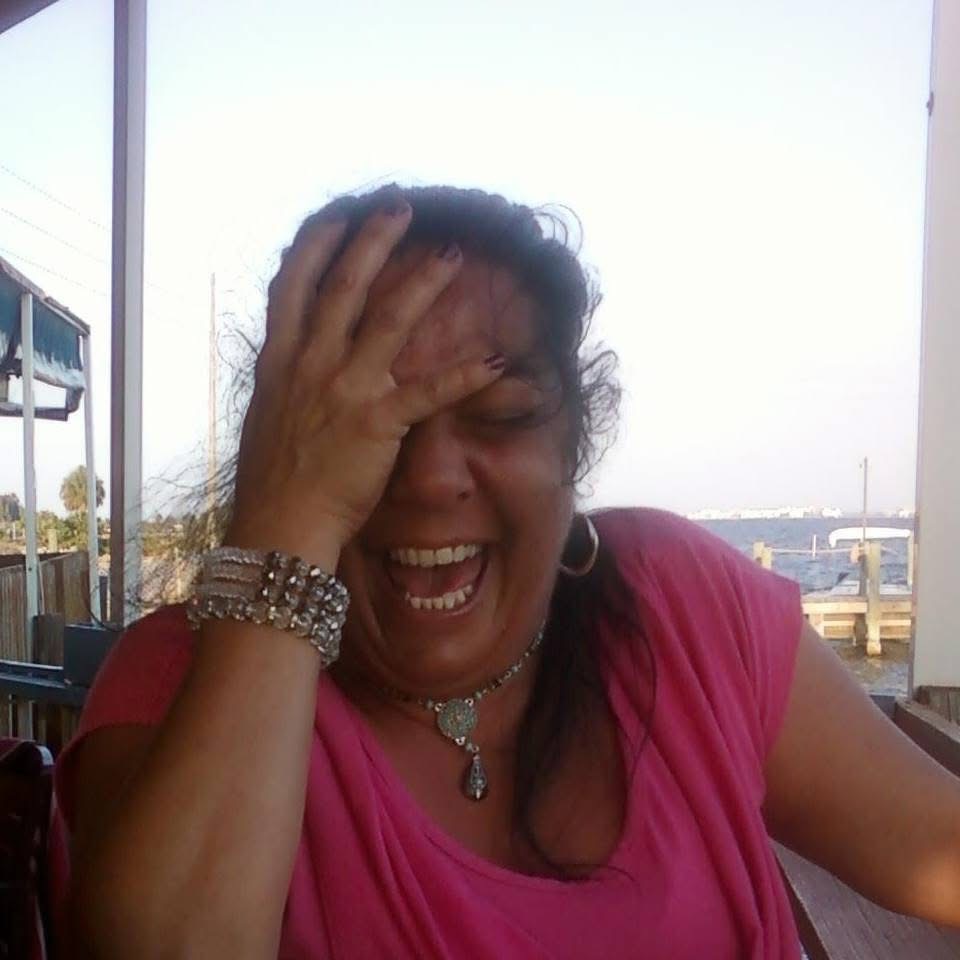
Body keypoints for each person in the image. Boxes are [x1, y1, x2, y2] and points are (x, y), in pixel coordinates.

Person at [49, 185, 960, 959]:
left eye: (500, 415)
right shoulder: (185, 681)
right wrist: (288, 529)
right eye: (368, 424)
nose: (431, 478)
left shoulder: (685, 605)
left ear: (574, 443)